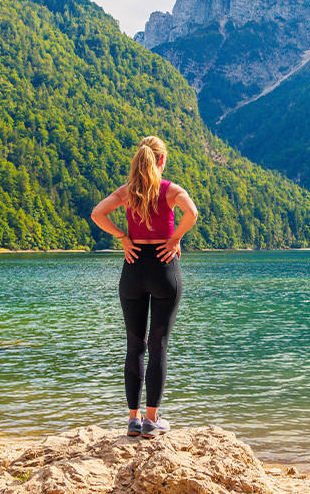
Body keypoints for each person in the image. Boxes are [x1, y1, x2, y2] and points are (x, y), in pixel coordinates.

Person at [91, 136, 198, 439]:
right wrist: (175, 238)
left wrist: (122, 237)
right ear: (162, 160)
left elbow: (97, 213)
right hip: (163, 268)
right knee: (158, 346)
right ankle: (152, 420)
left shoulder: (127, 192)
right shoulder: (171, 191)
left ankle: (133, 420)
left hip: (134, 267)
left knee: (134, 346)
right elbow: (192, 213)